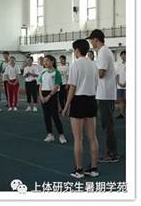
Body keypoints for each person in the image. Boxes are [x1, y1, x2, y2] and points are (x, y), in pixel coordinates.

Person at [62, 39, 99, 179]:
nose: (74, 52)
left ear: (77, 50)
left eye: (74, 50)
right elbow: (96, 84)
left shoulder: (75, 65)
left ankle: (79, 170)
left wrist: (66, 106)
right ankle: (94, 169)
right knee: (92, 137)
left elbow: (72, 87)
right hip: (91, 100)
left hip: (79, 101)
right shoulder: (93, 65)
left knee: (78, 139)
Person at [88, 29, 119, 162]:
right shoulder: (104, 52)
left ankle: (112, 154)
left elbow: (101, 73)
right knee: (107, 124)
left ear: (96, 39)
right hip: (105, 92)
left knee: (107, 125)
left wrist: (90, 73)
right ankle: (111, 152)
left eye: (91, 40)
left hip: (105, 94)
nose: (91, 42)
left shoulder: (103, 52)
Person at [38, 55, 67, 144]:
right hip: (43, 94)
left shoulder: (56, 72)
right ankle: (50, 134)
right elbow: (40, 85)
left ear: (52, 61)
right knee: (46, 116)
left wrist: (48, 96)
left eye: (47, 61)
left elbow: (57, 86)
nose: (45, 63)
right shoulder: (43, 72)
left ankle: (61, 135)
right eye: (44, 61)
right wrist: (41, 96)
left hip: (52, 95)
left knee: (55, 116)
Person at [116, 50, 126, 119]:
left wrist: (125, 83)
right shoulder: (119, 64)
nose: (122, 56)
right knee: (121, 100)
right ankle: (122, 114)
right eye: (121, 55)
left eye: (124, 55)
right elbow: (117, 74)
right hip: (119, 86)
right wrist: (118, 83)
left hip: (126, 86)